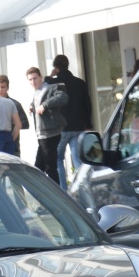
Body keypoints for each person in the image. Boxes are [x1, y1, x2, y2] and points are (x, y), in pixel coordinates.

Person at [51, 54, 92, 188]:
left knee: (58, 160)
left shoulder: (54, 83)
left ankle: (63, 191)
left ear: (56, 68)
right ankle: (82, 188)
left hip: (60, 128)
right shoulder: (80, 83)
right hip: (78, 126)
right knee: (78, 160)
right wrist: (88, 124)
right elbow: (87, 105)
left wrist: (51, 76)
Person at [28, 66, 67, 182]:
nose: (33, 82)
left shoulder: (50, 88)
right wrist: (32, 106)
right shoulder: (36, 92)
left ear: (41, 77)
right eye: (30, 80)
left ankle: (56, 196)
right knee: (38, 168)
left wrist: (45, 105)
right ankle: (47, 194)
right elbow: (38, 102)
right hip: (41, 135)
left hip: (50, 134)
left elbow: (63, 97)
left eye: (35, 78)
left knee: (50, 168)